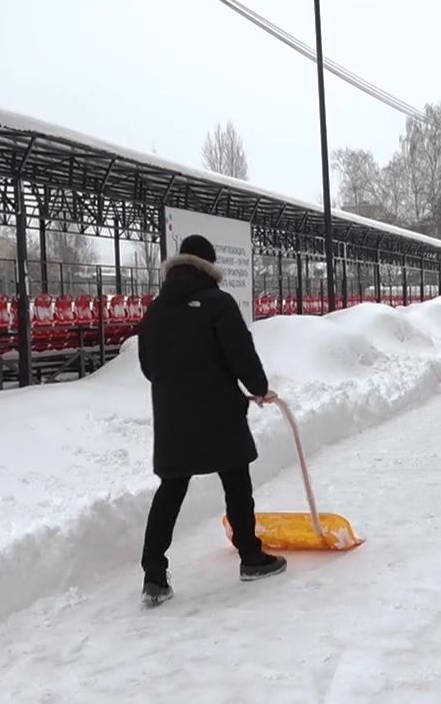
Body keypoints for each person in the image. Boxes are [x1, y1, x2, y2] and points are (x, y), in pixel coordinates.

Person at [136, 234, 287, 607]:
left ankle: (154, 575)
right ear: (209, 265)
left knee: (171, 489)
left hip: (173, 415)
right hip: (218, 410)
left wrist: (176, 386)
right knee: (236, 481)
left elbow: (148, 367)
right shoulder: (218, 302)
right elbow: (240, 352)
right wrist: (259, 387)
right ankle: (250, 556)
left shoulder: (155, 309)